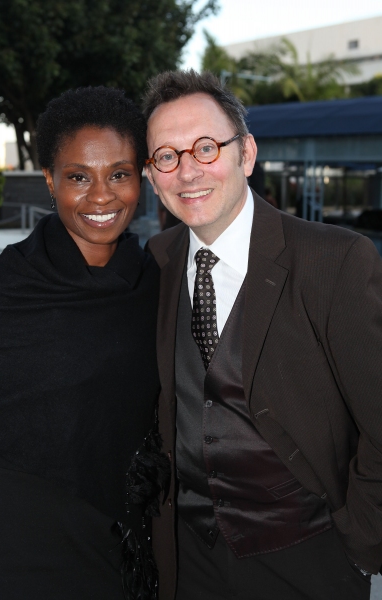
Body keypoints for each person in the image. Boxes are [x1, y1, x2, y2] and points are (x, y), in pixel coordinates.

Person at [143, 70, 382, 600]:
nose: (187, 171)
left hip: (308, 560)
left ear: (246, 154)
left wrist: (361, 537)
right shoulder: (156, 263)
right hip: (188, 561)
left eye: (206, 147)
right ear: (152, 175)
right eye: (167, 155)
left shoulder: (334, 260)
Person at [0, 86, 169, 600]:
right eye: (78, 177)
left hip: (110, 542)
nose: (101, 196)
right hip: (4, 544)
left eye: (118, 174)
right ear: (50, 180)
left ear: (139, 175)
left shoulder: (152, 278)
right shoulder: (4, 296)